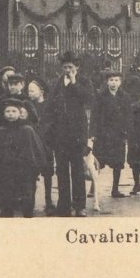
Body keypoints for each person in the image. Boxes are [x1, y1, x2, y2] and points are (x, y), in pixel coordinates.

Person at [40, 51, 95, 217]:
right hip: (60, 135)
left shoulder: (84, 81)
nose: (67, 70)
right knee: (62, 170)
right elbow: (49, 106)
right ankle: (63, 205)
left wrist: (74, 83)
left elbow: (89, 100)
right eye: (65, 67)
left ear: (77, 67)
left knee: (77, 170)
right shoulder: (57, 83)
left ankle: (80, 206)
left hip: (77, 134)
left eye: (70, 67)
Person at [0, 98, 48, 217]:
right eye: (8, 111)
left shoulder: (27, 130)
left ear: (20, 113)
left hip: (24, 173)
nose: (11, 114)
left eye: (14, 111)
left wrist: (34, 170)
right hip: (6, 172)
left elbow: (35, 152)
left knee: (26, 199)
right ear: (3, 114)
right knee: (6, 199)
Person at [90, 70, 131, 199]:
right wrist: (93, 133)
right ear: (107, 82)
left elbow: (128, 116)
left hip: (118, 135)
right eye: (111, 80)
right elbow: (94, 115)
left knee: (118, 163)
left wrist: (126, 133)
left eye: (117, 80)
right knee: (97, 163)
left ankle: (115, 189)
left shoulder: (125, 97)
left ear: (120, 82)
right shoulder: (100, 96)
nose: (114, 83)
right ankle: (93, 187)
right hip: (103, 134)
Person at [26, 78, 56, 215]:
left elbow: (51, 124)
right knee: (31, 174)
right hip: (32, 146)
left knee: (48, 174)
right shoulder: (27, 106)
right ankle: (30, 202)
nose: (29, 93)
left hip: (46, 144)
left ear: (41, 91)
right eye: (28, 91)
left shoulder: (48, 106)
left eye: (32, 90)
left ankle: (49, 201)